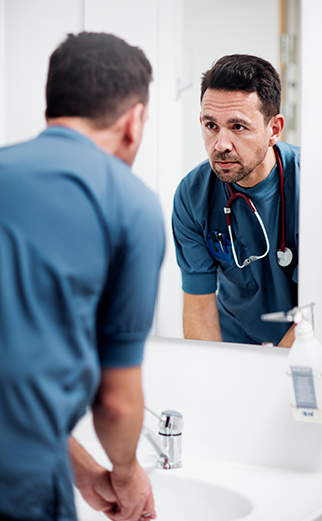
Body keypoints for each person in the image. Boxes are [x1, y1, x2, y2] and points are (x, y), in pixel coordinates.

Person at [0, 32, 165, 521]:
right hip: (21, 486)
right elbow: (115, 404)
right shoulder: (128, 202)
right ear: (134, 121)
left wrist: (81, 469)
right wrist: (126, 470)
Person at [172, 54, 299, 346]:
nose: (221, 145)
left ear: (274, 129)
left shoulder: (313, 187)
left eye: (238, 127)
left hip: (302, 343)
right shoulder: (192, 196)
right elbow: (198, 305)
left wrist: (277, 366)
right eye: (211, 125)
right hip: (233, 341)